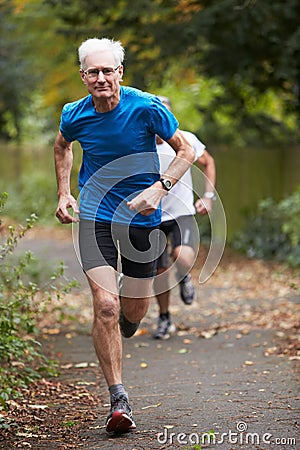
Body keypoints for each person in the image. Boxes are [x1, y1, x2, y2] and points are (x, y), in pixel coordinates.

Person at [53, 38, 194, 433]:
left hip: (141, 219)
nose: (101, 78)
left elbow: (186, 151)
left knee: (132, 310)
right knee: (106, 307)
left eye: (108, 71)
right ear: (83, 77)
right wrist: (64, 192)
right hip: (95, 215)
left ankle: (125, 320)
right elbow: (62, 146)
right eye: (93, 72)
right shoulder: (74, 114)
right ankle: (118, 398)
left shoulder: (146, 108)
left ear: (120, 73)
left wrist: (159, 188)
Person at [152, 96, 216, 340]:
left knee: (181, 256)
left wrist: (208, 196)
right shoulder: (139, 144)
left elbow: (208, 162)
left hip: (181, 213)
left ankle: (184, 275)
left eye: (165, 116)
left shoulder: (185, 139)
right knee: (159, 271)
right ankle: (164, 317)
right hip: (152, 217)